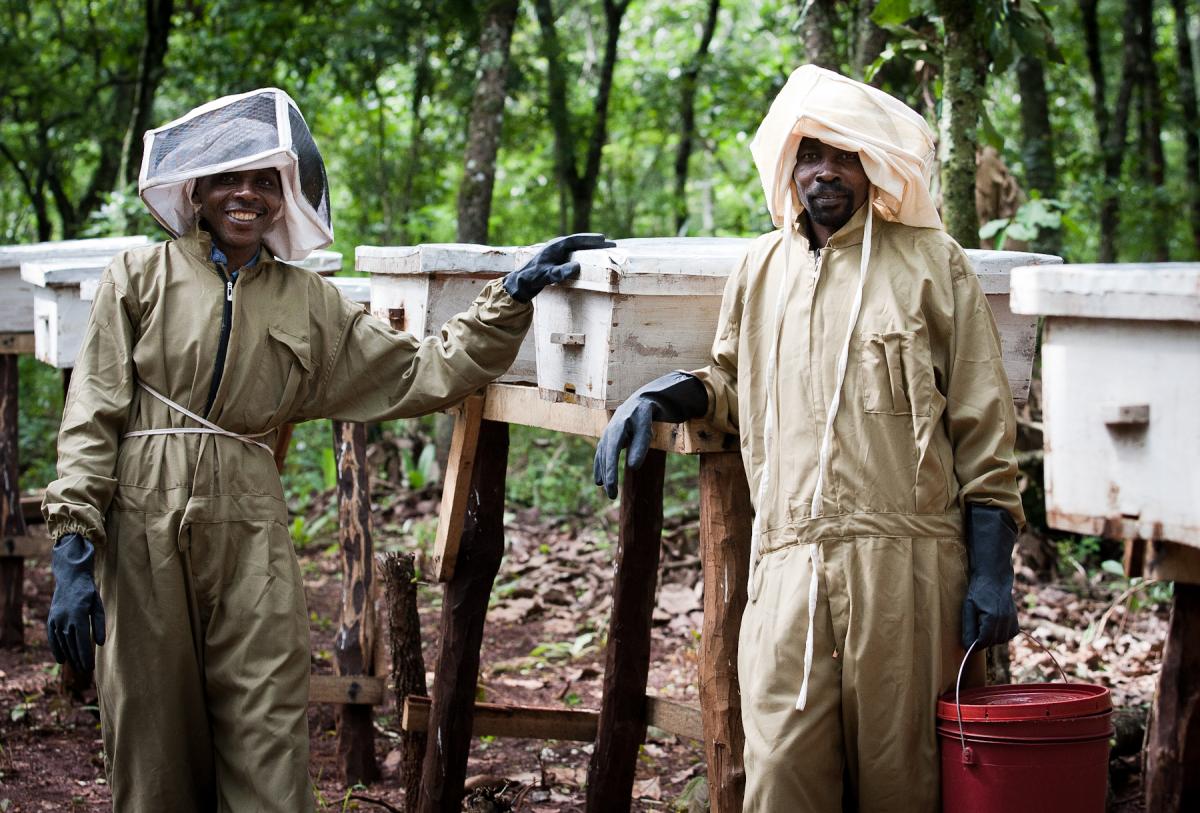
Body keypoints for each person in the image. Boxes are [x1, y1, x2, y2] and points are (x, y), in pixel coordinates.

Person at [42, 87, 612, 813]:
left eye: (264, 182)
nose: (245, 194)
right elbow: (92, 411)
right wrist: (73, 549)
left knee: (267, 724)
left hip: (250, 520)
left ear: (285, 199)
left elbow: (421, 368)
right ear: (197, 190)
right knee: (152, 735)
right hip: (140, 517)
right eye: (228, 178)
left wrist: (512, 296)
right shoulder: (138, 277)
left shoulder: (308, 301)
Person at [594, 65, 1023, 811]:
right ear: (789, 166)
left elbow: (983, 419)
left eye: (844, 155)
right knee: (783, 777)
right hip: (788, 565)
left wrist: (991, 567)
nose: (825, 171)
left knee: (906, 782)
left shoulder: (930, 261)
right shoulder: (760, 269)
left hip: (910, 570)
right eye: (810, 154)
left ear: (872, 167)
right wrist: (664, 394)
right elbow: (731, 384)